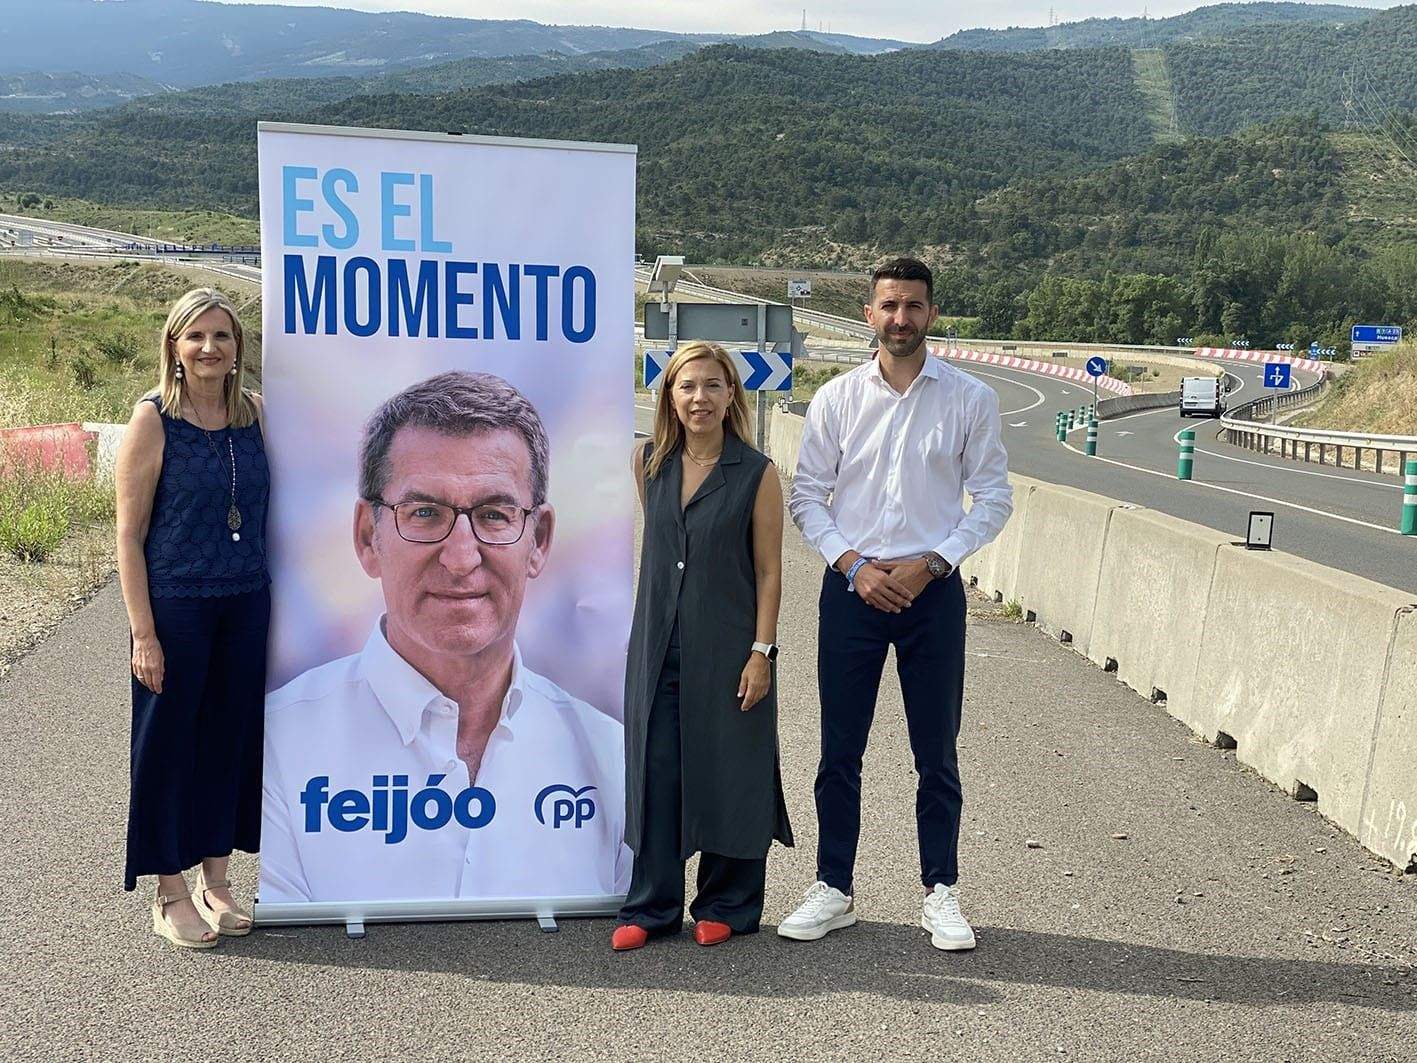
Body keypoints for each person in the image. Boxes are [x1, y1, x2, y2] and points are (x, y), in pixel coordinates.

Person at [260, 370, 629, 903]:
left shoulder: (610, 757)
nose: (461, 558)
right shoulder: (275, 747)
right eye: (425, 514)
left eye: (495, 515)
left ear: (540, 540)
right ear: (368, 537)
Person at [780, 257, 1012, 951]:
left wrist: (933, 561)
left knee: (935, 752)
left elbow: (993, 496)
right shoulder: (838, 399)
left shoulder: (969, 399)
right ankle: (833, 886)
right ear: (869, 314)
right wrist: (852, 565)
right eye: (888, 305)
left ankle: (940, 890)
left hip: (931, 592)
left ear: (931, 314)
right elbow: (806, 496)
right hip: (852, 589)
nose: (900, 318)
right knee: (837, 752)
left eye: (912, 305)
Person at [613, 341, 794, 951]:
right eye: (687, 386)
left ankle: (727, 903)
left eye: (713, 386)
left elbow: (769, 570)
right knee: (656, 772)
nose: (699, 398)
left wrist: (761, 651)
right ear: (669, 395)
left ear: (730, 397)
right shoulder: (648, 463)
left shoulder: (757, 473)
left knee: (730, 768)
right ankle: (652, 906)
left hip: (729, 647)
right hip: (657, 645)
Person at [116, 288, 269, 948]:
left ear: (238, 350)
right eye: (195, 336)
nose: (210, 347)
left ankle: (217, 879)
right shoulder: (153, 418)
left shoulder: (254, 415)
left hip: (244, 601)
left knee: (228, 743)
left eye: (222, 336)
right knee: (167, 748)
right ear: (174, 347)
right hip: (176, 604)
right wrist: (144, 633)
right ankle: (170, 889)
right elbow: (129, 532)